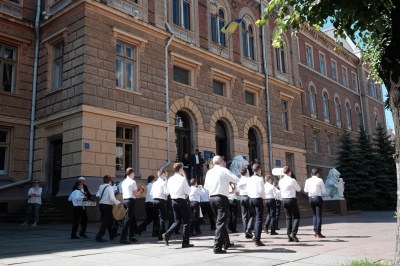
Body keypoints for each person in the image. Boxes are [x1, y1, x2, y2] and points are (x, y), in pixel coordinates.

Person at [204, 155, 240, 254]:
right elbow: (236, 179)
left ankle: (226, 243)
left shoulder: (209, 172)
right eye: (223, 161)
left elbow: (206, 186)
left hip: (211, 198)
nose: (224, 163)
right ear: (221, 162)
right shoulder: (223, 170)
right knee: (221, 222)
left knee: (220, 221)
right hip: (221, 198)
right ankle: (217, 247)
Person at [162, 162, 193, 248]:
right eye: (182, 169)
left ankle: (167, 234)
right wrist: (185, 178)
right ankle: (185, 242)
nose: (183, 170)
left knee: (177, 221)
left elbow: (167, 192)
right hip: (181, 201)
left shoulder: (170, 179)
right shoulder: (182, 179)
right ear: (180, 169)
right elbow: (188, 191)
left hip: (173, 201)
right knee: (186, 222)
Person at [120, 167, 144, 244]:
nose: (134, 174)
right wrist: (140, 190)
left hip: (125, 200)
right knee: (128, 220)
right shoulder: (133, 182)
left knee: (132, 219)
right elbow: (135, 194)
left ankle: (132, 236)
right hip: (131, 201)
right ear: (131, 173)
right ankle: (123, 237)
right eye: (133, 173)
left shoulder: (123, 182)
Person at [95, 175, 121, 242]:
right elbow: (112, 198)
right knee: (105, 222)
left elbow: (99, 195)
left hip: (101, 204)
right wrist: (118, 202)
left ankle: (112, 235)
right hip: (107, 206)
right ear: (110, 180)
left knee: (109, 221)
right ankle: (99, 237)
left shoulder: (101, 186)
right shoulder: (110, 188)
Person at [279, 165, 301, 242]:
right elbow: (298, 189)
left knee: (288, 218)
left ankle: (289, 236)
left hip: (284, 199)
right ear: (290, 172)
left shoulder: (280, 181)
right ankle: (293, 233)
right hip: (291, 199)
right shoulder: (292, 180)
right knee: (296, 216)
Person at [246, 164, 266, 246]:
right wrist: (264, 198)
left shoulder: (249, 179)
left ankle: (254, 235)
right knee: (259, 219)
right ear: (259, 170)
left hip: (250, 199)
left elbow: (247, 190)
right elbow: (262, 190)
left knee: (253, 217)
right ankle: (257, 239)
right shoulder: (259, 179)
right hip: (258, 199)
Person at [304, 168, 326, 238]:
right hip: (317, 198)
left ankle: (315, 231)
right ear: (317, 174)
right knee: (318, 215)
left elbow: (305, 190)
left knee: (314, 215)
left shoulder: (307, 180)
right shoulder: (320, 180)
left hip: (310, 198)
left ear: (311, 174)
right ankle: (318, 233)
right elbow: (323, 191)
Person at [151, 169, 169, 240]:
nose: (165, 176)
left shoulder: (154, 183)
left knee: (156, 218)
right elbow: (166, 192)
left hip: (154, 200)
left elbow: (151, 193)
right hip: (161, 201)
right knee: (162, 218)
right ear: (162, 174)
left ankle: (155, 231)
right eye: (165, 175)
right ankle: (161, 234)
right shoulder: (163, 183)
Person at [237, 167, 254, 239]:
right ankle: (249, 229)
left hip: (241, 197)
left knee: (244, 216)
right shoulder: (249, 179)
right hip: (248, 196)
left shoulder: (239, 180)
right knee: (253, 214)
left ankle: (245, 233)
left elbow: (237, 192)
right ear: (246, 172)